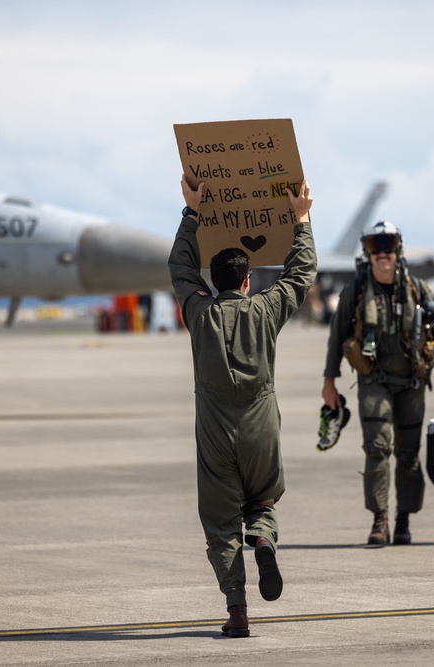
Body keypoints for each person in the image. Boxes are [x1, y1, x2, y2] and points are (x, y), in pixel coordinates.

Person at [168, 176, 317, 638]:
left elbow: (179, 266)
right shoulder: (266, 308)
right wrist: (301, 218)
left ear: (212, 283)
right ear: (248, 280)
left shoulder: (199, 312)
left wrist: (192, 212)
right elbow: (301, 272)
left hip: (215, 433)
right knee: (263, 499)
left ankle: (237, 611)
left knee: (220, 522)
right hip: (260, 429)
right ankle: (266, 538)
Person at [322, 221, 434, 547]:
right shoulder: (354, 292)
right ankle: (380, 519)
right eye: (376, 246)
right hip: (374, 382)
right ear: (368, 252)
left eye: (388, 246)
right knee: (378, 448)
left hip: (412, 383)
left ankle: (404, 519)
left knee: (409, 453)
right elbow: (336, 338)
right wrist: (329, 382)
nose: (382, 253)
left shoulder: (416, 290)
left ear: (397, 250)